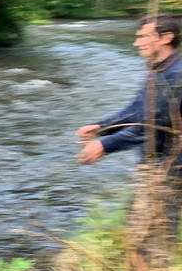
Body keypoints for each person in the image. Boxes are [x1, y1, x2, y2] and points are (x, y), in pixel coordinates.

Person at [76, 14, 182, 235]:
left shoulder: (176, 75)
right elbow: (137, 109)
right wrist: (102, 126)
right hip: (157, 162)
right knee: (140, 229)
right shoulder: (160, 70)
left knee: (152, 234)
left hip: (171, 166)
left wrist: (105, 145)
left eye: (144, 37)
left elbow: (153, 124)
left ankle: (154, 268)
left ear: (167, 38)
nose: (136, 43)